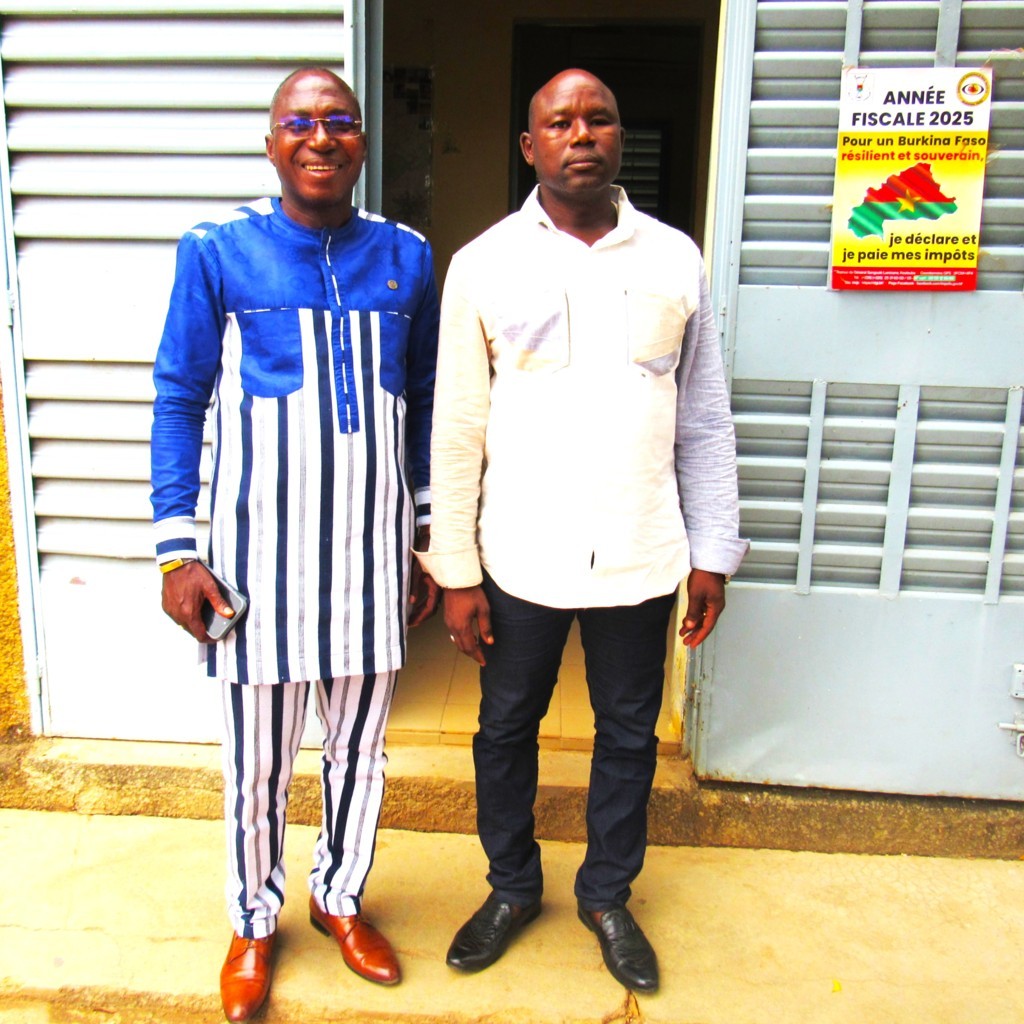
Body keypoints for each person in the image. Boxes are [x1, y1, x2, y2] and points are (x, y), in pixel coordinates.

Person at [416, 68, 747, 994]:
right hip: (519, 554)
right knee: (505, 727)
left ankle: (606, 896)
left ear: (620, 137)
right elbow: (457, 427)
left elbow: (704, 417)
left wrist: (714, 551)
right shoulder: (483, 263)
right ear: (531, 147)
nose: (581, 134)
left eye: (599, 118)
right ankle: (512, 887)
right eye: (559, 122)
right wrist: (455, 570)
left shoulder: (674, 258)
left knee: (629, 734)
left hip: (641, 549)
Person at [150, 67, 440, 1022]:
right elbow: (180, 396)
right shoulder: (219, 250)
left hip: (367, 559)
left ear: (363, 142)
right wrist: (177, 551)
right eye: (300, 122)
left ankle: (339, 899)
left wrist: (424, 534)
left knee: (360, 755)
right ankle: (252, 920)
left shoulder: (406, 257)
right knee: (257, 767)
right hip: (255, 565)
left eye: (340, 122)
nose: (321, 137)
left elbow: (424, 404)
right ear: (271, 142)